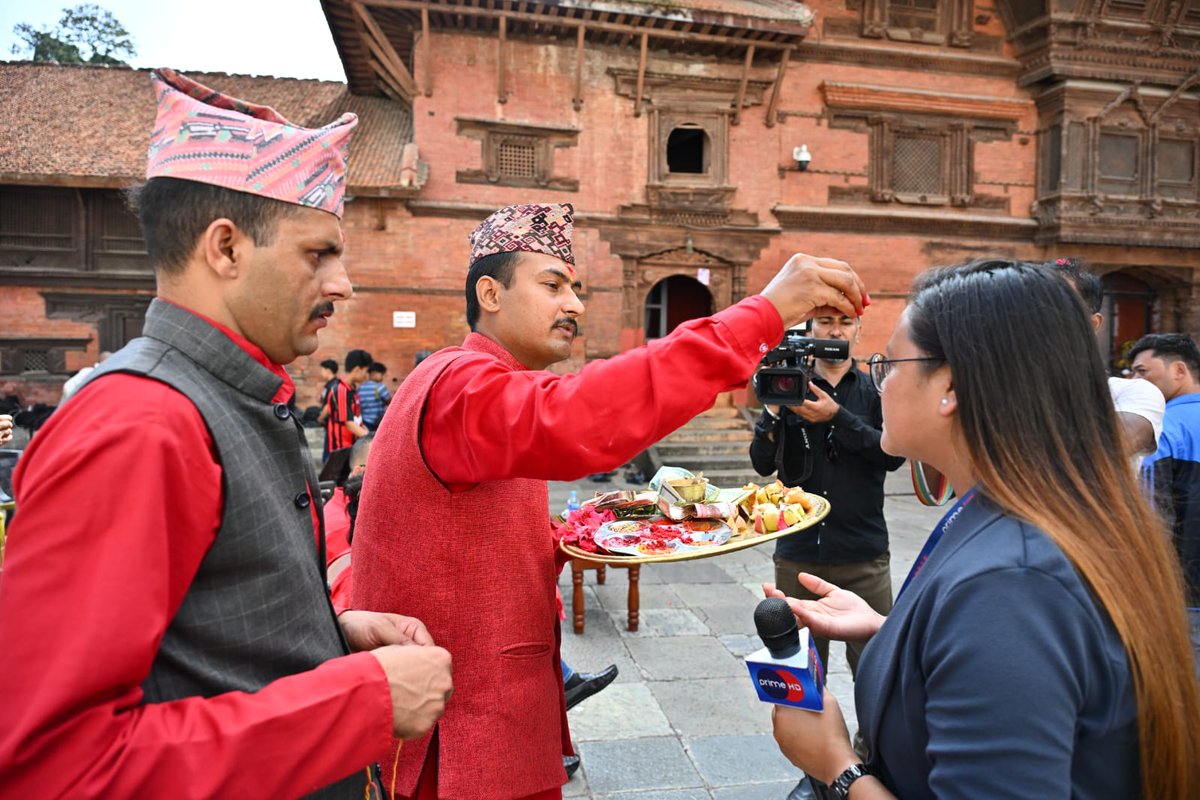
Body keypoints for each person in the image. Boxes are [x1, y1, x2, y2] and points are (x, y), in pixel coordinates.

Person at [0, 69, 453, 798]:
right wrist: (358, 703)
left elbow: (199, 650)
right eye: (319, 253)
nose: (343, 285)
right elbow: (55, 766)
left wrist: (332, 642)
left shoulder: (233, 398)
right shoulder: (138, 428)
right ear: (226, 249)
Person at [351, 201, 868, 799]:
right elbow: (578, 421)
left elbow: (463, 540)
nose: (573, 305)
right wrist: (763, 315)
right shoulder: (459, 385)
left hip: (495, 719)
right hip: (461, 743)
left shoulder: (486, 381)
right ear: (489, 294)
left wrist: (606, 532)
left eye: (576, 288)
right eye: (552, 285)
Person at [767, 259, 1200, 799]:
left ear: (950, 387)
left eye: (893, 363)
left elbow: (1007, 623)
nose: (882, 382)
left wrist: (836, 764)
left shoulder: (1012, 583)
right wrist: (894, 631)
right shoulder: (1008, 509)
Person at [747, 312, 903, 799]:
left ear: (858, 330)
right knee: (797, 670)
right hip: (798, 552)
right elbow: (761, 461)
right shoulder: (790, 381)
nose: (833, 330)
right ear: (810, 330)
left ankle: (868, 764)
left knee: (879, 668)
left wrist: (838, 417)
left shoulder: (878, 390)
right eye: (825, 321)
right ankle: (817, 772)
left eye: (844, 322)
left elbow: (890, 454)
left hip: (863, 550)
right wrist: (773, 412)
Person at [1129, 332, 1200, 677]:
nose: (1136, 381)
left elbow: (1152, 518)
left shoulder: (1163, 427)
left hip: (1185, 594)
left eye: (1143, 371)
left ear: (1180, 371)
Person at [1051, 257, 1165, 466]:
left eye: (1058, 305)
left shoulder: (1132, 393)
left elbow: (1100, 453)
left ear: (1093, 323)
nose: (1043, 318)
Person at [323, 349, 370, 461]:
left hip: (353, 446)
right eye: (366, 371)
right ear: (357, 369)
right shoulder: (340, 390)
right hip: (341, 449)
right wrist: (370, 439)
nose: (367, 376)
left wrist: (369, 434)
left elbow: (358, 420)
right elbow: (349, 423)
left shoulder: (352, 390)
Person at [359, 361, 392, 430]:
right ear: (374, 374)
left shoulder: (361, 387)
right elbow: (389, 401)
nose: (382, 377)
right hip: (377, 421)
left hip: (365, 421)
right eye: (382, 374)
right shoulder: (380, 387)